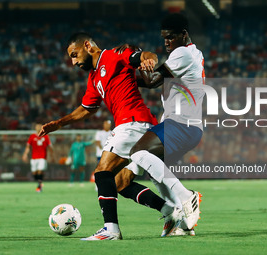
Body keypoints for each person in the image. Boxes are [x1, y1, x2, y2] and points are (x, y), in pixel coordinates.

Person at [38, 32, 183, 240]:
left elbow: (140, 56)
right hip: (136, 126)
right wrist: (59, 123)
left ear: (87, 45)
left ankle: (111, 229)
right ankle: (170, 211)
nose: (73, 62)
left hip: (133, 123)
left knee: (102, 172)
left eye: (75, 54)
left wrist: (149, 58)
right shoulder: (94, 77)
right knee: (120, 182)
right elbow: (86, 108)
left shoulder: (114, 55)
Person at [116, 13, 205, 236]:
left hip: (182, 124)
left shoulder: (182, 53)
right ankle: (178, 219)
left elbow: (153, 81)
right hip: (184, 125)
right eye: (164, 38)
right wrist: (127, 67)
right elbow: (145, 80)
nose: (166, 42)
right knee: (122, 181)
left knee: (138, 151)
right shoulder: (192, 52)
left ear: (184, 35)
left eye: (171, 37)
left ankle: (186, 198)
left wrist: (135, 56)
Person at [22, 123, 55, 192]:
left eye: (40, 127)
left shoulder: (45, 136)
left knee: (40, 171)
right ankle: (40, 183)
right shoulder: (32, 136)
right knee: (34, 173)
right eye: (37, 127)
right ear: (35, 128)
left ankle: (39, 186)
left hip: (42, 157)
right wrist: (25, 154)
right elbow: (28, 147)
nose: (38, 128)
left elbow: (50, 147)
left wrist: (52, 156)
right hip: (34, 158)